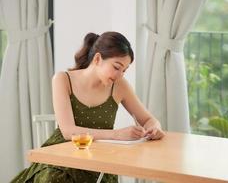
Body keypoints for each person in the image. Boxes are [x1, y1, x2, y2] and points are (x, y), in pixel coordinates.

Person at [11, 31, 165, 183]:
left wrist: (154, 128)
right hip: (62, 157)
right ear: (98, 59)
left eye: (124, 70)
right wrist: (117, 134)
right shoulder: (63, 80)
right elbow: (68, 132)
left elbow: (149, 119)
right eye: (116, 67)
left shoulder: (120, 86)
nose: (120, 75)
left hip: (100, 162)